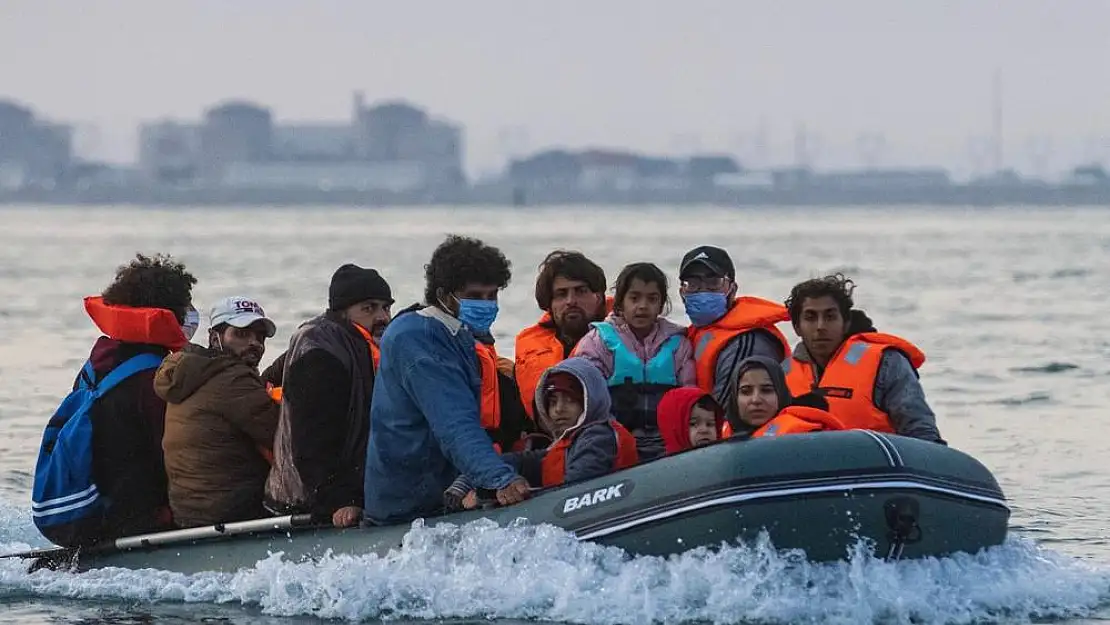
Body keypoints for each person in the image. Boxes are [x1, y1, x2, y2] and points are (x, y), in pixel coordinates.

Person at [363, 235, 530, 526]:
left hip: (439, 489)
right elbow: (453, 421)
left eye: (492, 296)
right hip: (408, 504)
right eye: (476, 296)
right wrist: (499, 478)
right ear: (444, 293)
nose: (487, 304)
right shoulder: (417, 338)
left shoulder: (456, 335)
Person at [35, 253, 197, 547]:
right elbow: (174, 454)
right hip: (130, 517)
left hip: (93, 506)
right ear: (169, 311)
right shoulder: (153, 377)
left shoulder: (98, 362)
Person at [265, 264, 393, 528]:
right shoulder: (320, 353)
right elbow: (312, 442)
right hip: (305, 502)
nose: (382, 317)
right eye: (369, 308)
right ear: (343, 312)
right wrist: (339, 500)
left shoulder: (366, 345)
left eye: (386, 307)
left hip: (352, 489)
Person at [444, 357, 639, 507]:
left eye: (569, 400)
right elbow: (516, 462)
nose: (559, 409)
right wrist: (477, 482)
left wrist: (487, 497)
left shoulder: (598, 437)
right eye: (553, 402)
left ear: (590, 400)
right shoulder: (563, 446)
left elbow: (572, 493)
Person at [155, 296, 280, 528]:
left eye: (259, 336)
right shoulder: (232, 379)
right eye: (242, 334)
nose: (254, 343)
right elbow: (284, 438)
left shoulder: (193, 370)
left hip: (190, 513)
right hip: (231, 512)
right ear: (215, 338)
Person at [780, 273, 944, 443]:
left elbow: (921, 432)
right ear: (797, 327)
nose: (821, 326)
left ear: (846, 323)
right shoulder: (780, 375)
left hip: (875, 466)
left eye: (830, 317)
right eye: (810, 317)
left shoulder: (886, 363)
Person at [572, 262, 696, 461]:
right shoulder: (598, 341)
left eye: (652, 299)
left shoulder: (679, 344)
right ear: (620, 302)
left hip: (666, 443)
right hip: (614, 440)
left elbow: (690, 396)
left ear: (661, 304)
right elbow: (588, 399)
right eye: (634, 298)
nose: (643, 306)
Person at [679, 245, 791, 407]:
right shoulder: (694, 334)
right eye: (693, 283)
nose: (703, 291)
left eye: (713, 282)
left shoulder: (747, 342)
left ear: (732, 288)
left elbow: (727, 410)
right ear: (682, 292)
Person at [514, 250, 610, 418]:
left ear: (599, 297)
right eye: (561, 294)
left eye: (581, 291)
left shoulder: (623, 338)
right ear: (549, 304)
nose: (571, 301)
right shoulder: (528, 344)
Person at [723, 356, 846, 439]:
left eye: (767, 390)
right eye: (746, 392)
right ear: (735, 398)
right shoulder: (718, 435)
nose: (756, 400)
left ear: (781, 394)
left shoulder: (808, 436)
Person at [656, 387, 725, 454]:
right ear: (674, 430)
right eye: (693, 424)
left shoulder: (722, 459)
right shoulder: (666, 465)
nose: (704, 430)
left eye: (710, 424)